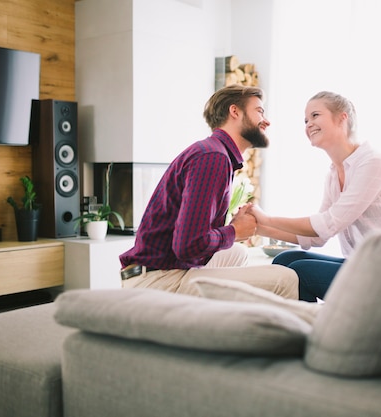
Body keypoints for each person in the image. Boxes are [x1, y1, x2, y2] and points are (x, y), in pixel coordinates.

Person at [119, 85, 298, 299]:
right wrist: (235, 231)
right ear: (235, 111)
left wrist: (234, 230)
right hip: (158, 280)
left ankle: (217, 325)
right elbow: (188, 246)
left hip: (158, 268)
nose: (266, 120)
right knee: (285, 279)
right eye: (259, 111)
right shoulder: (213, 158)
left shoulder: (213, 152)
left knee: (236, 253)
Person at [249, 91, 381, 301]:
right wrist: (257, 227)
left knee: (299, 271)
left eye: (315, 115)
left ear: (342, 118)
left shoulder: (373, 164)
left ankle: (314, 330)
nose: (308, 124)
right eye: (305, 120)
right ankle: (302, 325)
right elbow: (317, 236)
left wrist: (267, 219)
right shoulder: (334, 174)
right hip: (359, 264)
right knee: (286, 261)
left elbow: (328, 223)